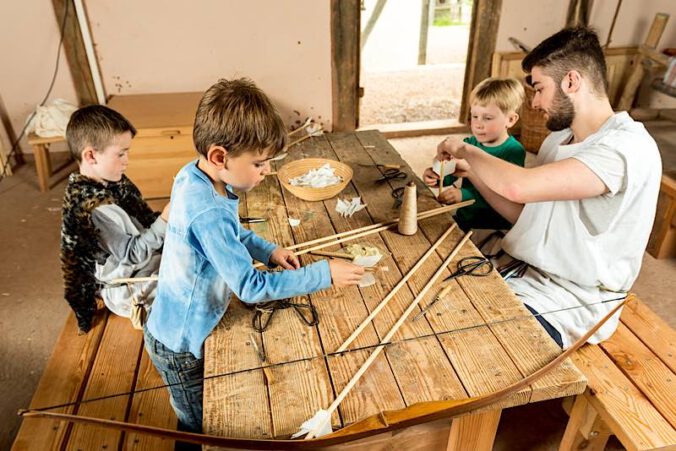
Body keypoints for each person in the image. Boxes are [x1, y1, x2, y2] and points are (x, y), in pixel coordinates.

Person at [144, 78, 364, 434]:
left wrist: (269, 250)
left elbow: (228, 234)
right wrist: (323, 274)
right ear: (220, 156)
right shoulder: (207, 210)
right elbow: (250, 287)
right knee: (201, 425)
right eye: (260, 163)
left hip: (173, 323)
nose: (266, 171)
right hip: (181, 344)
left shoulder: (194, 175)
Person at [436, 27, 662, 349]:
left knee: (465, 348)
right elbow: (529, 215)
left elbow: (518, 187)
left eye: (539, 88)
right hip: (528, 269)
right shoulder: (559, 139)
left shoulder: (625, 148)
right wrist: (472, 172)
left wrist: (466, 150)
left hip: (573, 300)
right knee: (435, 302)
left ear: (572, 82)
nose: (536, 102)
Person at [61, 105, 169, 333]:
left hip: (145, 267)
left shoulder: (113, 184)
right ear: (90, 155)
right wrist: (167, 220)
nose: (126, 160)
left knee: (197, 255)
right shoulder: (92, 208)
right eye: (120, 153)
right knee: (195, 280)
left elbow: (145, 221)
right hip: (126, 288)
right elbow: (131, 254)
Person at [422, 77, 525, 231]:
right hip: (465, 219)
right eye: (474, 116)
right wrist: (438, 175)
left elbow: (506, 196)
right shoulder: (468, 144)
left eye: (487, 118)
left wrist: (464, 195)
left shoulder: (513, 151)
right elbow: (455, 172)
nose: (478, 124)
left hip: (493, 226)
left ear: (510, 120)